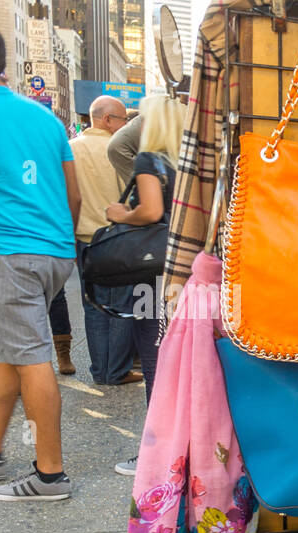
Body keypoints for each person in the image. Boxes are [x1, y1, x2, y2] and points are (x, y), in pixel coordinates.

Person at [0, 21, 80, 501]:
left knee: (31, 354)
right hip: (52, 249)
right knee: (4, 346)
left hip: (5, 250)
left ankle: (50, 475)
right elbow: (72, 192)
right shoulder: (45, 118)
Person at [105, 93, 182, 477]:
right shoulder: (190, 164)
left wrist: (122, 213)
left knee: (154, 360)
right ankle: (180, 444)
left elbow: (151, 211)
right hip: (187, 274)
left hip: (150, 275)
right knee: (182, 361)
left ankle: (155, 451)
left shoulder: (149, 160)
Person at [69, 94, 142, 386]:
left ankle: (100, 371)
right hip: (117, 239)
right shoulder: (119, 150)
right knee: (123, 305)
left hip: (83, 240)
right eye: (123, 120)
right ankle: (117, 370)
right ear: (107, 119)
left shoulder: (70, 149)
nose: (126, 126)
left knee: (93, 306)